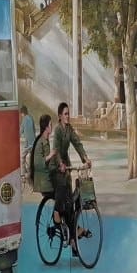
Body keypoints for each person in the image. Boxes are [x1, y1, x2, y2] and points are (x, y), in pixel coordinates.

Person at [51, 102, 92, 256]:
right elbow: (55, 150)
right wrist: (60, 164)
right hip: (57, 166)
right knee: (63, 195)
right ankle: (57, 215)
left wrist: (85, 158)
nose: (68, 116)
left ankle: (73, 240)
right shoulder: (57, 130)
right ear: (60, 116)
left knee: (70, 203)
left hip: (66, 166)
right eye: (65, 114)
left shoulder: (69, 129)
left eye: (68, 113)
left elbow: (77, 143)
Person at [30, 114, 55, 202]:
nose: (52, 127)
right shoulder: (40, 142)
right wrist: (50, 155)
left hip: (46, 176)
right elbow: (37, 163)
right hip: (43, 180)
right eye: (50, 124)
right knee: (61, 191)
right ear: (46, 127)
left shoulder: (45, 140)